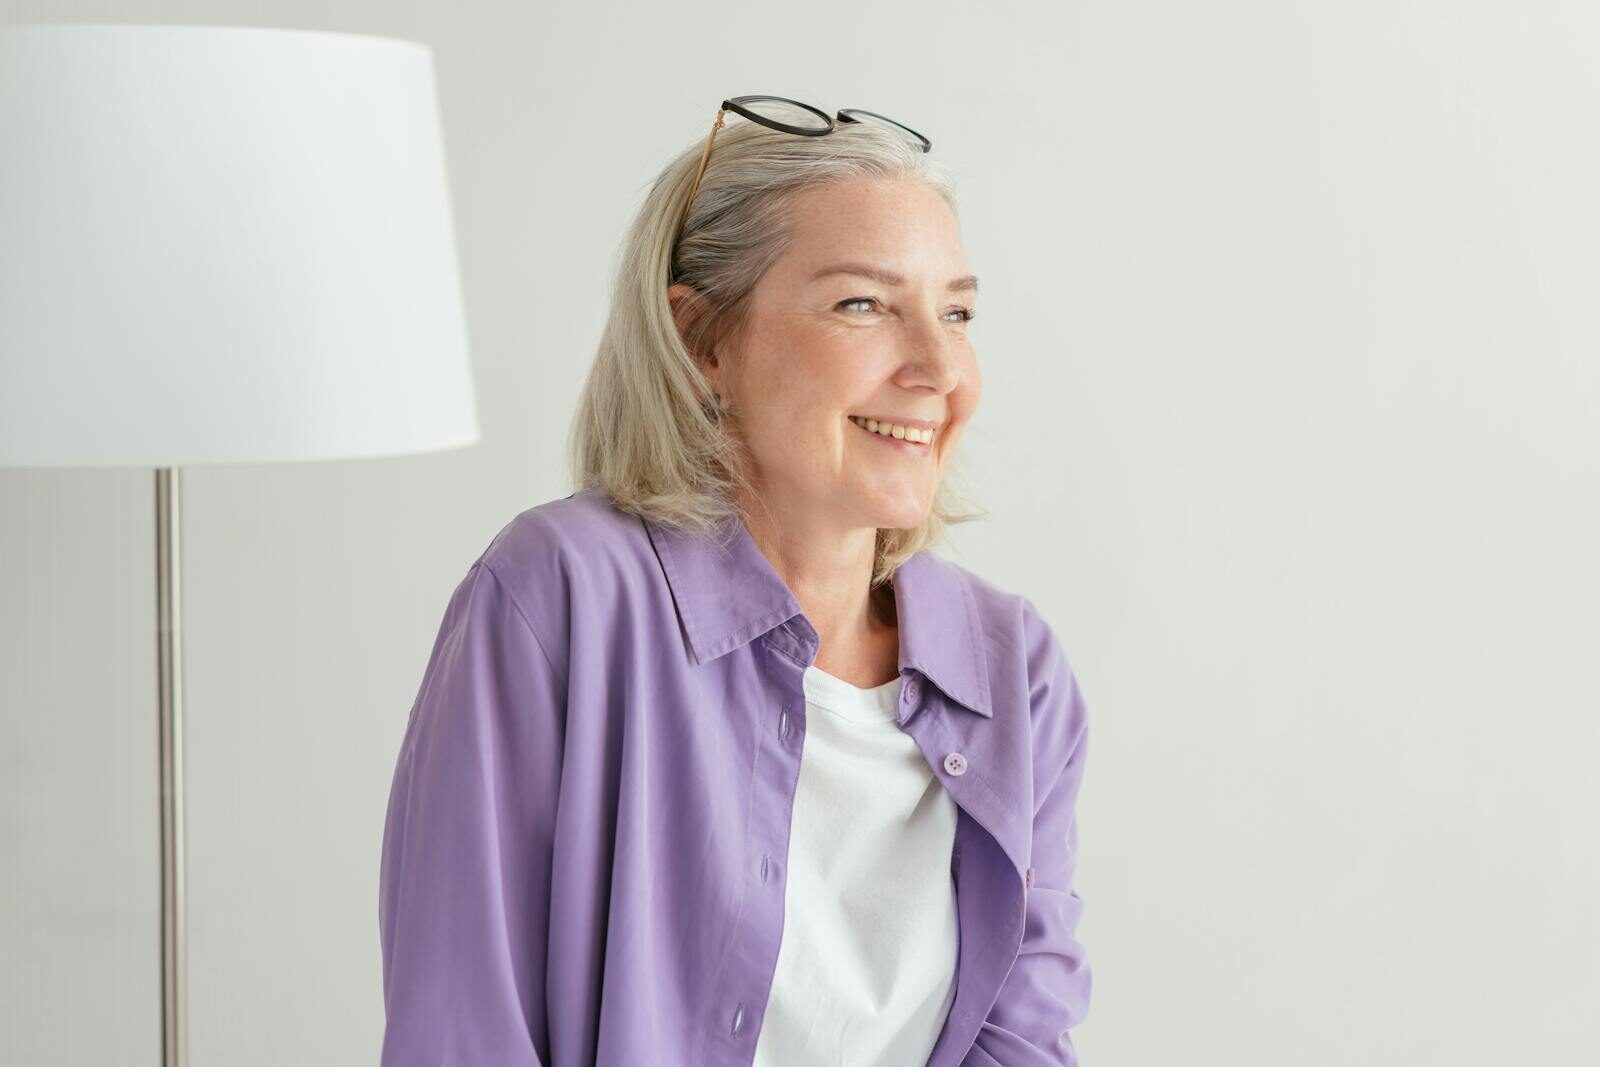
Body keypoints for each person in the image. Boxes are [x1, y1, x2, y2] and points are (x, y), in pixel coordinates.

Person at [378, 96, 1093, 1066]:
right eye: (864, 304)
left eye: (956, 311)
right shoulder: (562, 596)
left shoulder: (1015, 669)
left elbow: (1024, 1036)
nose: (938, 366)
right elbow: (463, 1030)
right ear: (703, 341)